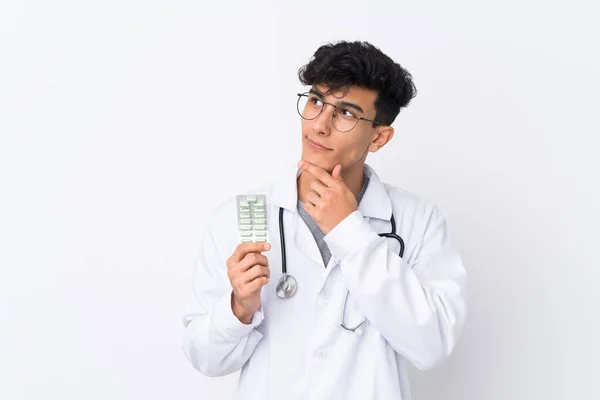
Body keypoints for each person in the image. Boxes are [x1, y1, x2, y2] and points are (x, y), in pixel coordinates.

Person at [182, 40, 467, 400]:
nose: (320, 125)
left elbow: (432, 345)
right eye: (316, 101)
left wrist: (350, 232)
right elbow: (205, 360)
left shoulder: (417, 220)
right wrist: (239, 308)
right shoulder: (237, 217)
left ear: (379, 136)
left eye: (346, 113)